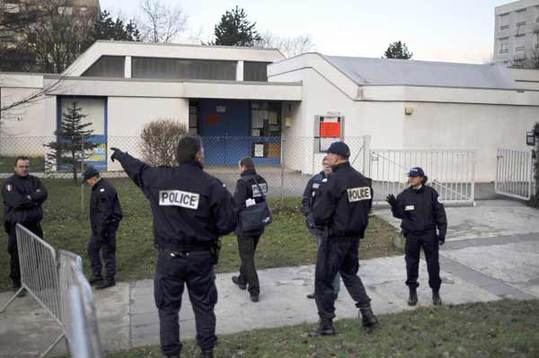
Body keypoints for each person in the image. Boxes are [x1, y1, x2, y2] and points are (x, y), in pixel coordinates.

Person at [110, 136, 236, 358]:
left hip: (169, 259)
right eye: (203, 152)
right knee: (204, 306)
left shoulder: (159, 178)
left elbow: (138, 170)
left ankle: (171, 354)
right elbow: (228, 223)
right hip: (200, 258)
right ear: (198, 155)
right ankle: (207, 351)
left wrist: (121, 156)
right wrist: (209, 231)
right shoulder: (211, 185)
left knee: (168, 310)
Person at [311, 142, 378, 336]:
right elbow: (367, 207)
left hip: (335, 238)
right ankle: (368, 315)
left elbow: (321, 214)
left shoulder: (333, 181)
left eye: (330, 154)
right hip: (354, 238)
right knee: (350, 274)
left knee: (323, 280)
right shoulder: (363, 180)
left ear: (338, 157)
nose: (328, 157)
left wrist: (317, 219)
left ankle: (326, 324)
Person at [386, 167, 447, 306]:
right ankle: (412, 292)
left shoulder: (431, 193)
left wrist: (442, 233)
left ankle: (435, 292)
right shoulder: (405, 195)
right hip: (412, 235)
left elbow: (440, 214)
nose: (411, 179)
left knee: (433, 264)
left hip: (429, 235)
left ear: (421, 178)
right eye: (410, 177)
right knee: (411, 264)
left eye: (414, 177)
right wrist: (394, 206)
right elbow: (399, 214)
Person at [2, 156, 48, 297]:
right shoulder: (9, 183)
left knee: (37, 251)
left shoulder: (34, 180)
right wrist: (33, 199)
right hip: (18, 225)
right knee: (16, 254)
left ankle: (29, 280)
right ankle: (17, 282)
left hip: (34, 223)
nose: (24, 169)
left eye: (26, 166)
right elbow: (17, 202)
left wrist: (28, 198)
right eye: (21, 166)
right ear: (15, 167)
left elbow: (44, 194)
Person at [302, 157, 340, 300]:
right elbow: (305, 199)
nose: (327, 167)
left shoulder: (338, 181)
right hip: (318, 227)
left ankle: (334, 290)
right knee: (321, 260)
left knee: (332, 260)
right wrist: (309, 215)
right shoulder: (315, 180)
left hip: (333, 227)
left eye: (329, 165)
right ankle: (320, 290)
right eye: (325, 164)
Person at [231, 157, 268, 303]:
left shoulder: (242, 183)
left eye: (239, 167)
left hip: (245, 225)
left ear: (244, 167)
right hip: (259, 223)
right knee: (248, 254)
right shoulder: (262, 180)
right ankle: (241, 279)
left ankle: (254, 290)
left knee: (247, 257)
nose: (239, 170)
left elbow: (237, 205)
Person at [83, 166, 123, 290]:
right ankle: (97, 275)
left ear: (94, 178)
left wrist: (101, 230)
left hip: (106, 228)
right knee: (92, 249)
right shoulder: (98, 187)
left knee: (108, 252)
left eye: (87, 180)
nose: (87, 182)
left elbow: (105, 213)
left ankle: (110, 279)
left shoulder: (104, 189)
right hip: (99, 228)